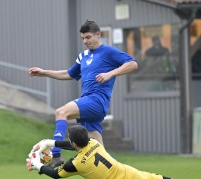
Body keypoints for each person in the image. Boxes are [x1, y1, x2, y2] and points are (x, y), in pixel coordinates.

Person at [29, 20, 138, 168]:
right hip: (88, 103)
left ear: (98, 35)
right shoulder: (83, 56)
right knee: (102, 156)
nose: (85, 41)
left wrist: (110, 74)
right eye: (83, 38)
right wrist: (44, 72)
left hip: (97, 101)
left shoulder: (108, 52)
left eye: (88, 37)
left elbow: (132, 64)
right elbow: (68, 73)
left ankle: (56, 154)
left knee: (61, 112)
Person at [27, 125, 201, 179]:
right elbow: (72, 143)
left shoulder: (75, 164)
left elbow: (56, 174)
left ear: (74, 143)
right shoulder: (95, 142)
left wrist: (37, 165)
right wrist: (51, 143)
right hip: (136, 177)